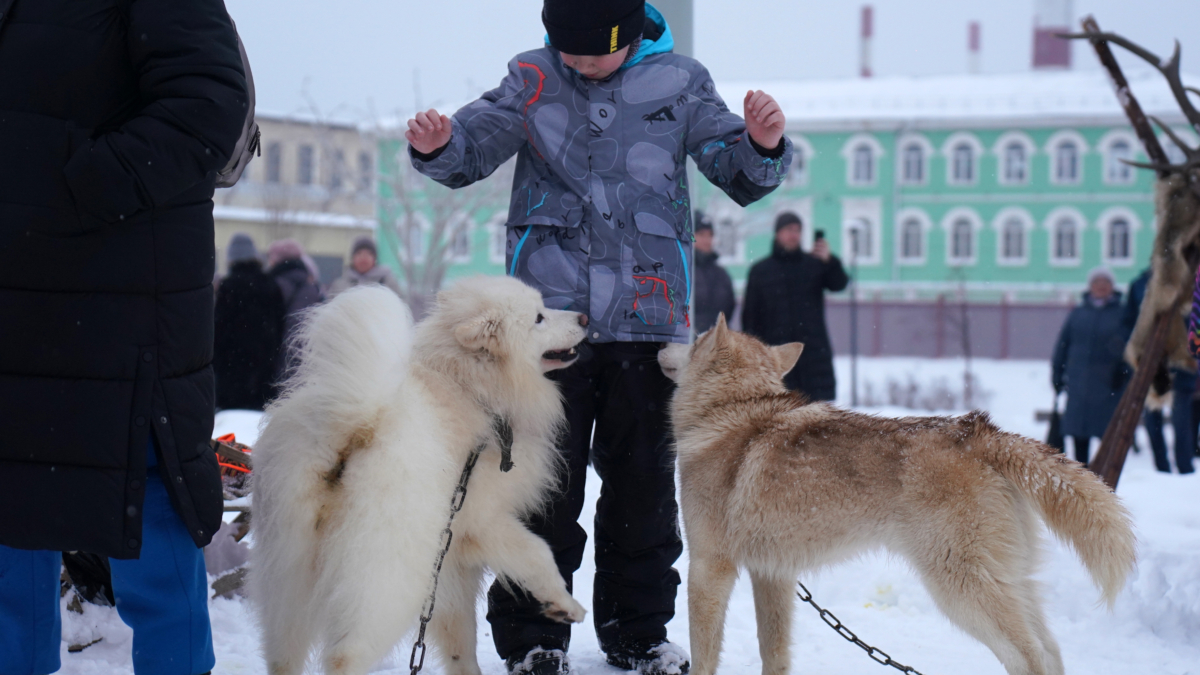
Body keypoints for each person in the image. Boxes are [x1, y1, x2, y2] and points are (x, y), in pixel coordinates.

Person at [406, 2, 792, 673]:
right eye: (567, 49)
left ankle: (637, 630)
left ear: (630, 36)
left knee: (643, 490)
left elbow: (738, 174)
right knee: (539, 488)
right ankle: (534, 635)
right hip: (548, 331)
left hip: (651, 328)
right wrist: (437, 145)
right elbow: (470, 149)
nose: (578, 64)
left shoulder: (680, 82)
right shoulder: (532, 77)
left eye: (594, 53)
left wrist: (761, 144)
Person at [0, 1, 248, 673]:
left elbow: (209, 106)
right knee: (10, 541)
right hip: (18, 311)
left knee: (153, 540)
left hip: (125, 313)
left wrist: (71, 187)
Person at [741, 212, 849, 401]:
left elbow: (839, 284)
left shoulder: (813, 265)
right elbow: (750, 317)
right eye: (789, 229)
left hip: (813, 355)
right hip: (776, 356)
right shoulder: (761, 271)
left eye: (798, 230)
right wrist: (754, 354)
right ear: (777, 233)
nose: (794, 234)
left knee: (814, 419)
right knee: (778, 417)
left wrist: (830, 261)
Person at [1052, 268, 1132, 465]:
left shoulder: (1123, 314)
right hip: (1079, 382)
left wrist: (1124, 371)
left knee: (1109, 432)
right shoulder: (1078, 313)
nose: (1101, 286)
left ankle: (1107, 473)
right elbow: (1063, 345)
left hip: (1109, 384)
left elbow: (1132, 347)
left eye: (1106, 283)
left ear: (1112, 287)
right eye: (1097, 282)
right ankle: (1083, 473)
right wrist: (1057, 373)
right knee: (1079, 432)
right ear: (1090, 286)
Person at [1126, 267, 1196, 474]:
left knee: (1181, 417)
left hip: (1181, 362)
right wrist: (1135, 348)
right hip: (1149, 363)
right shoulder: (1140, 285)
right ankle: (1161, 466)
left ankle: (1184, 466)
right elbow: (1128, 321)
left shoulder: (1190, 284)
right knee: (1152, 416)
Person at [214, 234, 286, 412]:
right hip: (264, 371)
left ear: (231, 258)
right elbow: (280, 327)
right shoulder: (270, 284)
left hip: (232, 373)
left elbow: (218, 330)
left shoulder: (228, 286)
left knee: (231, 427)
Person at [267, 238, 325, 383]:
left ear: (275, 260)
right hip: (305, 367)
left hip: (274, 368)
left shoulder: (272, 286)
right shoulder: (312, 288)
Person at [691, 212, 736, 335]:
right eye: (701, 234)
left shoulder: (721, 274)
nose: (707, 240)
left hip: (716, 343)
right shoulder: (682, 271)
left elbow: (729, 310)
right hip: (688, 344)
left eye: (710, 235)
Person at [327, 235, 403, 299]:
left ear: (374, 258)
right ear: (352, 258)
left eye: (368, 254)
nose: (363, 258)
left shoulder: (387, 283)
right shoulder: (340, 285)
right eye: (359, 253)